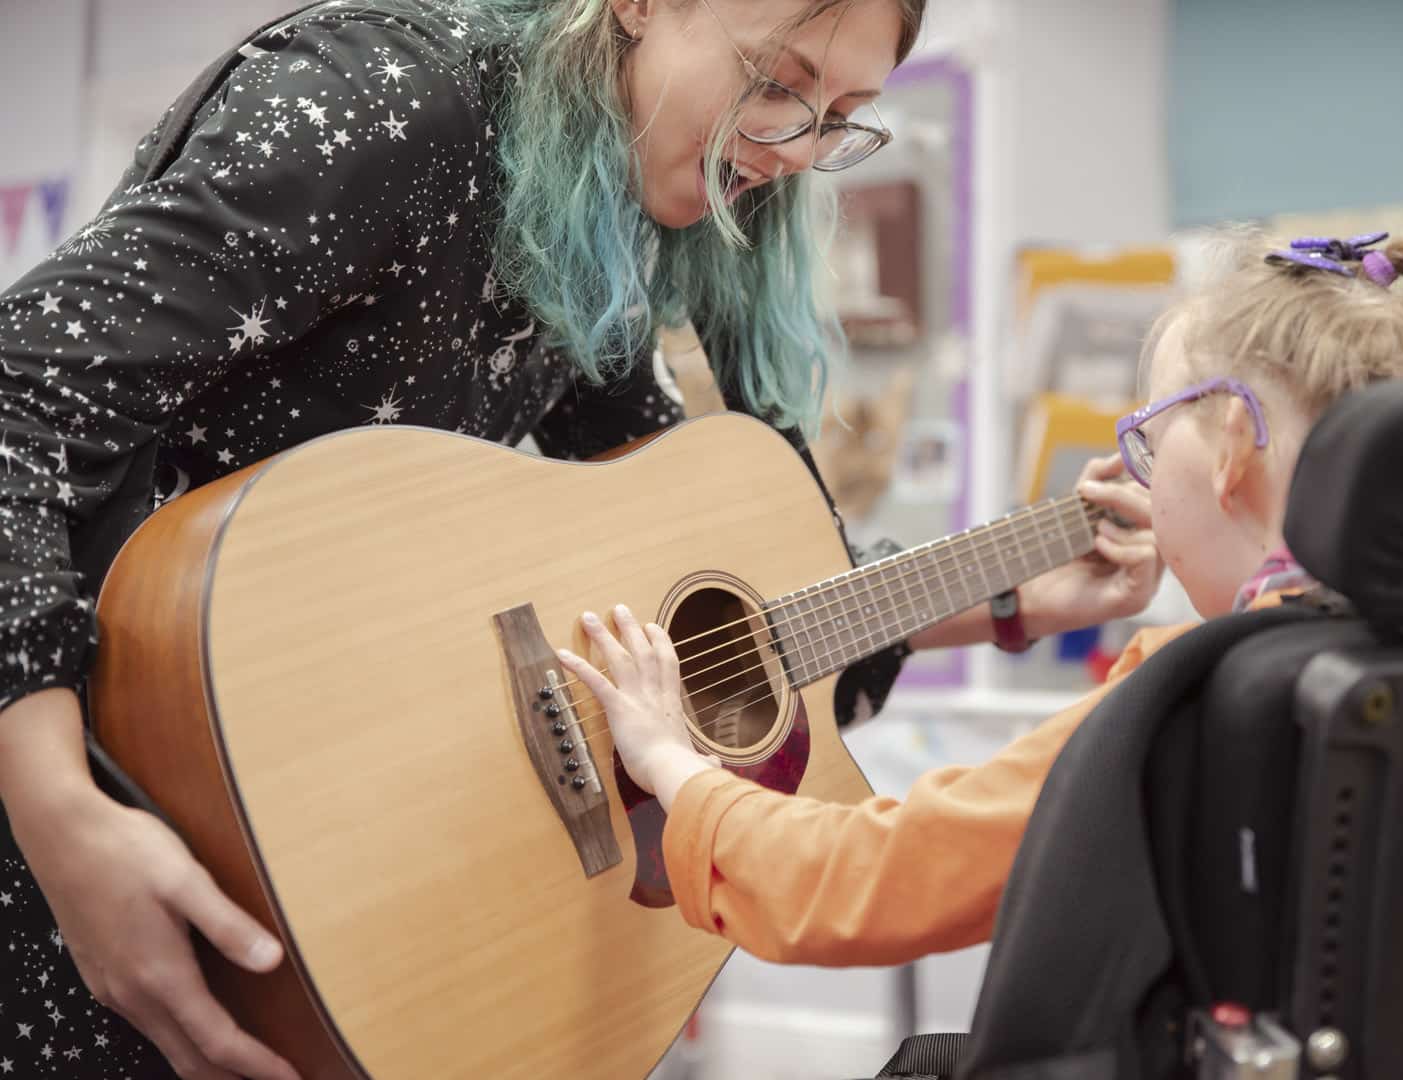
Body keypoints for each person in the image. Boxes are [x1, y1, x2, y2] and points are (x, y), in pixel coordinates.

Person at [0, 2, 1166, 1076]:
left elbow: (704, 601)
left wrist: (1007, 592)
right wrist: (61, 817)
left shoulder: (597, 210)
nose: (794, 150)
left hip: (348, 881)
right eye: (775, 82)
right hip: (98, 824)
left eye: (843, 120)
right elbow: (19, 402)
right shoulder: (391, 108)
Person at [561, 229, 1403, 970]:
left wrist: (666, 757)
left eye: (1150, 440)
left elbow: (854, 884)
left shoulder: (1187, 696)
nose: (1142, 481)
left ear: (1235, 444)